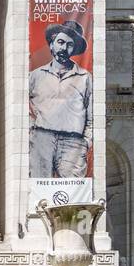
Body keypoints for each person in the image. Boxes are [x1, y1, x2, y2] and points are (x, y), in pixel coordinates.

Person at [29, 18, 92, 180]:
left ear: (75, 49)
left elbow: (92, 114)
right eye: (60, 42)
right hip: (41, 139)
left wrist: (86, 141)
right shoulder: (35, 76)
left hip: (74, 143)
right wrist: (31, 131)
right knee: (39, 191)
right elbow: (22, 107)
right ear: (51, 45)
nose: (64, 48)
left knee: (73, 196)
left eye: (69, 45)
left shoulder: (85, 77)